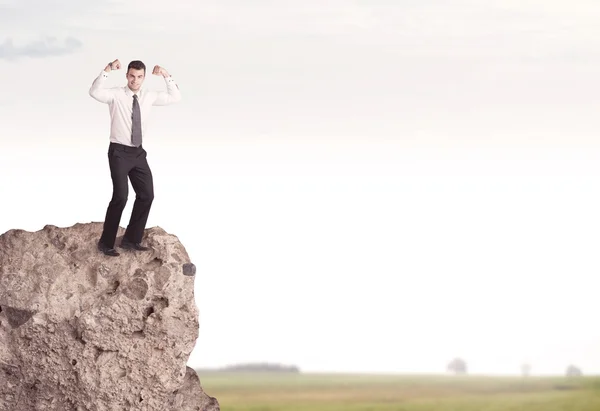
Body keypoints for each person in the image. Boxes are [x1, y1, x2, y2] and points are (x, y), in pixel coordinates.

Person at [89, 59, 181, 257]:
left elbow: (175, 97)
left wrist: (166, 75)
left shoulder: (148, 96)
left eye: (139, 77)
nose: (135, 80)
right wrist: (107, 70)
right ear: (127, 76)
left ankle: (131, 239)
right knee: (121, 197)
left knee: (147, 195)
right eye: (132, 76)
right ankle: (106, 243)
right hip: (119, 152)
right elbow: (94, 92)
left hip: (138, 153)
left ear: (144, 77)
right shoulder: (115, 94)